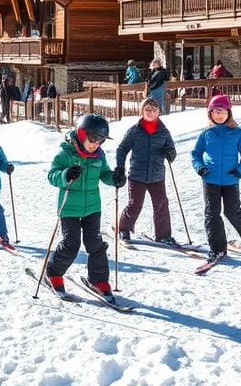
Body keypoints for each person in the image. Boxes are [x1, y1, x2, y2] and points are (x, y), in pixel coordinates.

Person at [45, 113, 122, 299]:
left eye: (101, 140)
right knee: (71, 244)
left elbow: (104, 174)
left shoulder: (98, 156)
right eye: (94, 138)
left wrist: (115, 178)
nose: (97, 143)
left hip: (93, 208)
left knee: (95, 243)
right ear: (80, 134)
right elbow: (52, 176)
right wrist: (65, 174)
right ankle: (53, 273)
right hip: (69, 208)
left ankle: (98, 279)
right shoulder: (65, 154)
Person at [191, 94, 241, 263]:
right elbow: (196, 154)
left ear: (229, 113)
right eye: (215, 111)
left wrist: (240, 170)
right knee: (212, 214)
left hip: (230, 180)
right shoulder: (206, 134)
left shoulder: (237, 133)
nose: (219, 114)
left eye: (222, 111)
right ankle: (217, 249)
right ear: (210, 114)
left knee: (233, 212)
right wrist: (200, 167)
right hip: (210, 180)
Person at [114, 97, 178, 245]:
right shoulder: (135, 130)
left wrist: (170, 154)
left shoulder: (164, 132)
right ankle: (124, 229)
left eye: (153, 110)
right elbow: (122, 149)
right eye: (147, 109)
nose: (150, 112)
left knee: (161, 204)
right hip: (137, 174)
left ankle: (163, 235)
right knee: (135, 203)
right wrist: (120, 167)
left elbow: (172, 150)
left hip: (157, 175)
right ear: (142, 111)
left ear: (158, 112)